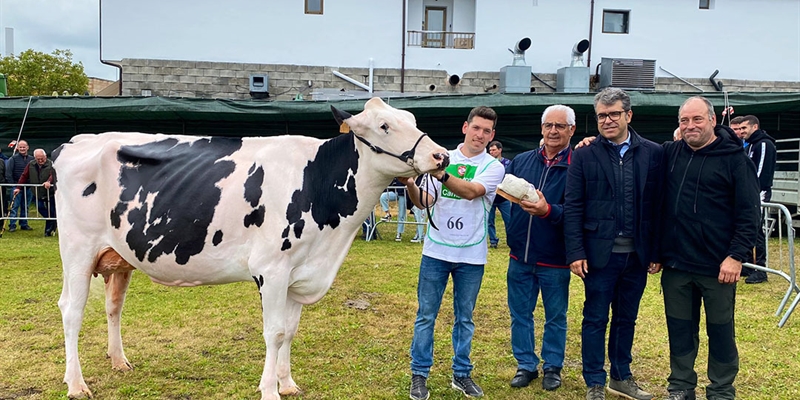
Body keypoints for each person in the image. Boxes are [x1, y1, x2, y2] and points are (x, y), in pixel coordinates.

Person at [657, 96, 759, 400]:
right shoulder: (670, 154)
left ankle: (721, 389)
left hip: (718, 267)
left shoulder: (736, 160)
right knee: (679, 330)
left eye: (697, 119)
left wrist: (736, 256)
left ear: (713, 120)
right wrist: (591, 142)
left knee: (721, 331)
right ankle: (681, 385)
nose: (690, 126)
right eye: (684, 121)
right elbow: (634, 151)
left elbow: (749, 213)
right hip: (676, 265)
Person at [564, 87, 662, 400]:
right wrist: (576, 251)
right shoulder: (583, 154)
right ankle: (594, 380)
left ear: (628, 115)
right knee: (594, 318)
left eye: (614, 114)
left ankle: (621, 376)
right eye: (602, 116)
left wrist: (656, 250)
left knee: (626, 318)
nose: (607, 120)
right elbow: (574, 205)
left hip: (637, 255)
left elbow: (658, 206)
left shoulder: (653, 152)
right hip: (598, 255)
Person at [402, 106, 505, 400]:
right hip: (435, 250)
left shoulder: (493, 166)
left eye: (487, 131)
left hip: (472, 255)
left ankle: (461, 374)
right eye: (476, 128)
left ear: (492, 135)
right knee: (426, 316)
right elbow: (425, 201)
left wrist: (441, 173)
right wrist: (411, 183)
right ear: (465, 127)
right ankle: (419, 374)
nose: (481, 135)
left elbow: (472, 191)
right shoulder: (441, 156)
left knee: (465, 318)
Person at [505, 105, 574, 391]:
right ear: (541, 128)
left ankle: (553, 367)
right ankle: (525, 365)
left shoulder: (578, 164)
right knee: (520, 314)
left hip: (555, 258)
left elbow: (578, 211)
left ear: (571, 129)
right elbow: (503, 196)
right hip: (519, 255)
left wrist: (548, 211)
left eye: (560, 126)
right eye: (548, 125)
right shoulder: (521, 161)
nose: (553, 131)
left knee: (555, 316)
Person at [739, 114, 776, 284]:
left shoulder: (763, 144)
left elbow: (760, 172)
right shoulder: (752, 144)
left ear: (754, 127)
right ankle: (747, 265)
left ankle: (761, 268)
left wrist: (753, 191)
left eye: (744, 128)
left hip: (759, 193)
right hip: (750, 193)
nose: (742, 132)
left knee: (757, 229)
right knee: (748, 226)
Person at [14, 148, 58, 236]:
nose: (40, 160)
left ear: (45, 156)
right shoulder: (31, 164)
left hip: (50, 193)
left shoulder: (52, 164)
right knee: (41, 208)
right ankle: (53, 221)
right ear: (35, 158)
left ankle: (48, 231)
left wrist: (49, 182)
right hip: (37, 193)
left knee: (52, 210)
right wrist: (18, 188)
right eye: (38, 159)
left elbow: (53, 175)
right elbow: (24, 176)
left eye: (42, 158)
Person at [5, 140, 33, 232]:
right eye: (20, 147)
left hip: (28, 187)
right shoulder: (13, 159)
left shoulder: (31, 159)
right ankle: (12, 224)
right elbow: (8, 173)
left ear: (27, 147)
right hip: (17, 187)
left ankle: (24, 224)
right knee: (14, 206)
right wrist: (14, 185)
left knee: (25, 206)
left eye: (24, 147)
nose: (22, 149)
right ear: (17, 148)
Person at [487, 140, 511, 248]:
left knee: (509, 220)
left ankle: (511, 241)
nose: (491, 152)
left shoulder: (507, 163)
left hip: (504, 198)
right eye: (490, 150)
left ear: (500, 150)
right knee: (489, 221)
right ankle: (493, 241)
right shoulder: (486, 164)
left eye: (494, 150)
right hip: (490, 197)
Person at [379, 177, 409, 241]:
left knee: (401, 215)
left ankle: (399, 233)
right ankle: (388, 214)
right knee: (383, 197)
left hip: (403, 193)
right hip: (395, 192)